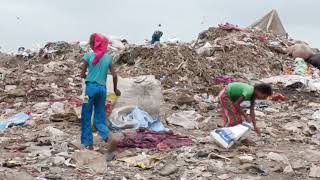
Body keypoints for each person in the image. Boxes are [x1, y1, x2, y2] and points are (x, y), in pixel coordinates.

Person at [80, 33, 121, 160]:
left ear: (92, 45)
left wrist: (87, 76)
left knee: (86, 115)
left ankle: (88, 144)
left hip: (90, 90)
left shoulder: (88, 56)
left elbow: (82, 74)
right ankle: (110, 138)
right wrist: (115, 89)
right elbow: (114, 75)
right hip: (102, 90)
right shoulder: (108, 58)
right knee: (99, 117)